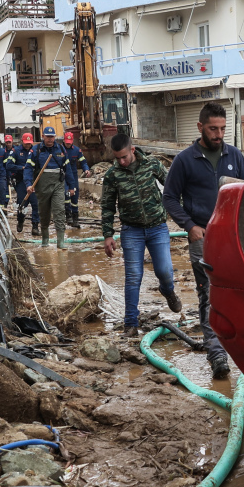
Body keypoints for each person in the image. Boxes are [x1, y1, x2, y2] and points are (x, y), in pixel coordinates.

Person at [162, 102, 244, 380]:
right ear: (200, 127)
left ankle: (240, 348)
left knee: (239, 294)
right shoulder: (185, 160)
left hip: (233, 239)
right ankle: (217, 354)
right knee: (209, 295)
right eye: (213, 129)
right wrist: (189, 225)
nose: (219, 134)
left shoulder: (234, 156)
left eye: (223, 129)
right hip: (202, 238)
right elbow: (169, 198)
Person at [101, 133, 183, 337]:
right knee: (133, 276)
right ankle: (130, 324)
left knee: (164, 270)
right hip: (131, 231)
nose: (121, 161)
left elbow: (172, 186)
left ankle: (167, 290)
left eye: (124, 157)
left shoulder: (152, 165)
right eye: (117, 158)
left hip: (157, 227)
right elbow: (108, 206)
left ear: (133, 151)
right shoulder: (113, 175)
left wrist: (181, 210)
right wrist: (107, 235)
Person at [25, 126, 76, 249]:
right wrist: (28, 185)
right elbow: (28, 169)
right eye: (47, 137)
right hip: (42, 186)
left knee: (59, 211)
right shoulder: (36, 151)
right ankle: (45, 240)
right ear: (43, 137)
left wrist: (71, 186)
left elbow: (67, 169)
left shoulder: (61, 149)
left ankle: (60, 242)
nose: (50, 139)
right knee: (44, 213)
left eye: (52, 136)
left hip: (58, 185)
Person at [11, 133, 40, 233]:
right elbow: (9, 165)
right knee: (23, 203)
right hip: (21, 181)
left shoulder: (36, 151)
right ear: (22, 141)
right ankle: (20, 219)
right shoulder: (16, 152)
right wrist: (21, 168)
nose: (27, 145)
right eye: (26, 143)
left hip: (34, 181)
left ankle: (35, 226)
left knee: (35, 203)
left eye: (29, 143)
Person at [62, 131, 92, 228]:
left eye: (70, 142)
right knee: (66, 194)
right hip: (63, 175)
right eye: (67, 142)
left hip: (73, 175)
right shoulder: (59, 150)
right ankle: (68, 216)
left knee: (74, 197)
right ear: (63, 140)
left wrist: (86, 170)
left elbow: (83, 162)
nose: (68, 144)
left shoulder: (77, 150)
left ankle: (75, 219)